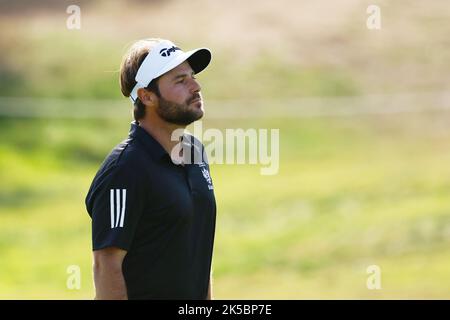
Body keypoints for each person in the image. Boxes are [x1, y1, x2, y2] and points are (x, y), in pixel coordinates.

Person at [85, 38, 216, 300]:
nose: (196, 86)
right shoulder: (124, 170)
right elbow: (107, 266)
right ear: (147, 96)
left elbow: (197, 252)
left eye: (192, 76)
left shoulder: (195, 153)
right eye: (180, 81)